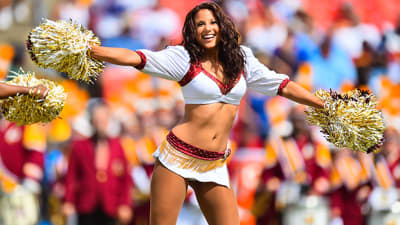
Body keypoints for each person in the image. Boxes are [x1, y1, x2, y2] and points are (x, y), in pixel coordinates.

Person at [89, 2, 324, 224]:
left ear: (222, 25)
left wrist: (321, 104)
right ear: (192, 31)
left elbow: (282, 85)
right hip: (178, 156)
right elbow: (135, 57)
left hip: (214, 163)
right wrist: (92, 51)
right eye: (200, 24)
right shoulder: (183, 59)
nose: (207, 28)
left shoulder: (242, 60)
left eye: (212, 22)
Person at [63, 99, 133, 225]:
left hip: (110, 205)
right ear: (91, 121)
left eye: (104, 119)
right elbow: (71, 175)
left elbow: (125, 179)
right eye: (97, 120)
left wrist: (124, 204)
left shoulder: (117, 146)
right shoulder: (80, 146)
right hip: (86, 205)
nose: (101, 123)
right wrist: (68, 201)